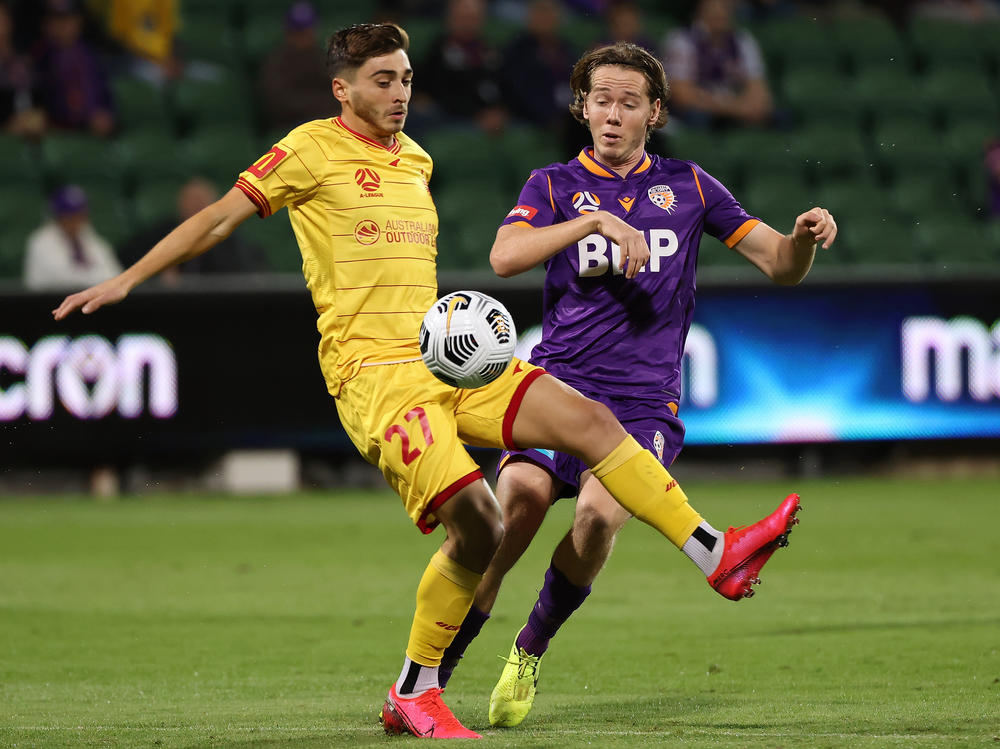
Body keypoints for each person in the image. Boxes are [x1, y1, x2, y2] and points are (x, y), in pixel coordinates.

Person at [52, 24, 809, 740]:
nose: (400, 93)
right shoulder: (309, 149)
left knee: (590, 424)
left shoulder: (416, 158)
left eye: (407, 79)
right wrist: (130, 279)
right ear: (342, 90)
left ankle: (716, 550)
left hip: (445, 358)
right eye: (383, 80)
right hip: (375, 375)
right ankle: (415, 689)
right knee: (483, 522)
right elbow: (219, 216)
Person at [437, 41, 836, 728]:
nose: (612, 115)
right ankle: (428, 683)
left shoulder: (691, 186)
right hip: (556, 391)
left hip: (642, 400)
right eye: (600, 100)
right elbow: (503, 257)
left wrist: (802, 237)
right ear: (581, 107)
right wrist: (590, 220)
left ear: (656, 111)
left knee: (595, 520)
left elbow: (778, 263)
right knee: (513, 520)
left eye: (628, 103)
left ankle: (529, 648)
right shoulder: (553, 185)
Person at [118, 176, 269, 277]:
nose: (196, 207)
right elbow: (127, 255)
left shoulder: (229, 239)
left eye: (201, 201)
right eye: (190, 200)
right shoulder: (164, 231)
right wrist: (157, 271)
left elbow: (242, 275)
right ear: (180, 203)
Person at [662, 0, 773, 129]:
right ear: (699, 10)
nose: (720, 11)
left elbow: (759, 90)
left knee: (776, 117)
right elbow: (681, 94)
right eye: (714, 7)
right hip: (700, 111)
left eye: (724, 6)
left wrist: (747, 106)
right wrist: (732, 108)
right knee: (698, 118)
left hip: (735, 107)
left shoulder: (743, 40)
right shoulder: (682, 40)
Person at [416, 0, 507, 133]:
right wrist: (477, 114)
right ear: (451, 19)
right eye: (463, 17)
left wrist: (501, 110)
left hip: (490, 115)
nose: (468, 23)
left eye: (473, 18)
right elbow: (441, 90)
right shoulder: (440, 49)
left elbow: (504, 85)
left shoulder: (489, 50)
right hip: (453, 117)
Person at [32, 0, 115, 136]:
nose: (64, 26)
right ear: (46, 24)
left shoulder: (90, 56)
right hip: (57, 133)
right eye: (58, 20)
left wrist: (107, 115)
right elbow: (40, 103)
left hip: (95, 133)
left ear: (79, 22)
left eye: (69, 19)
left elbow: (107, 96)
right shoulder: (39, 57)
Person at [257, 1, 339, 133]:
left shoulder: (322, 58)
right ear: (288, 31)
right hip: (291, 128)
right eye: (298, 31)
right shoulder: (276, 62)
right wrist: (318, 106)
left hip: (326, 124)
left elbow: (337, 92)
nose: (304, 36)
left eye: (307, 30)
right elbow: (278, 103)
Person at [24, 185, 122, 290]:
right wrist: (98, 279)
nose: (76, 220)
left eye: (80, 214)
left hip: (86, 299)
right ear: (58, 216)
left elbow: (114, 274)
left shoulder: (89, 236)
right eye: (70, 216)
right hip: (44, 303)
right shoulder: (40, 241)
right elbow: (63, 279)